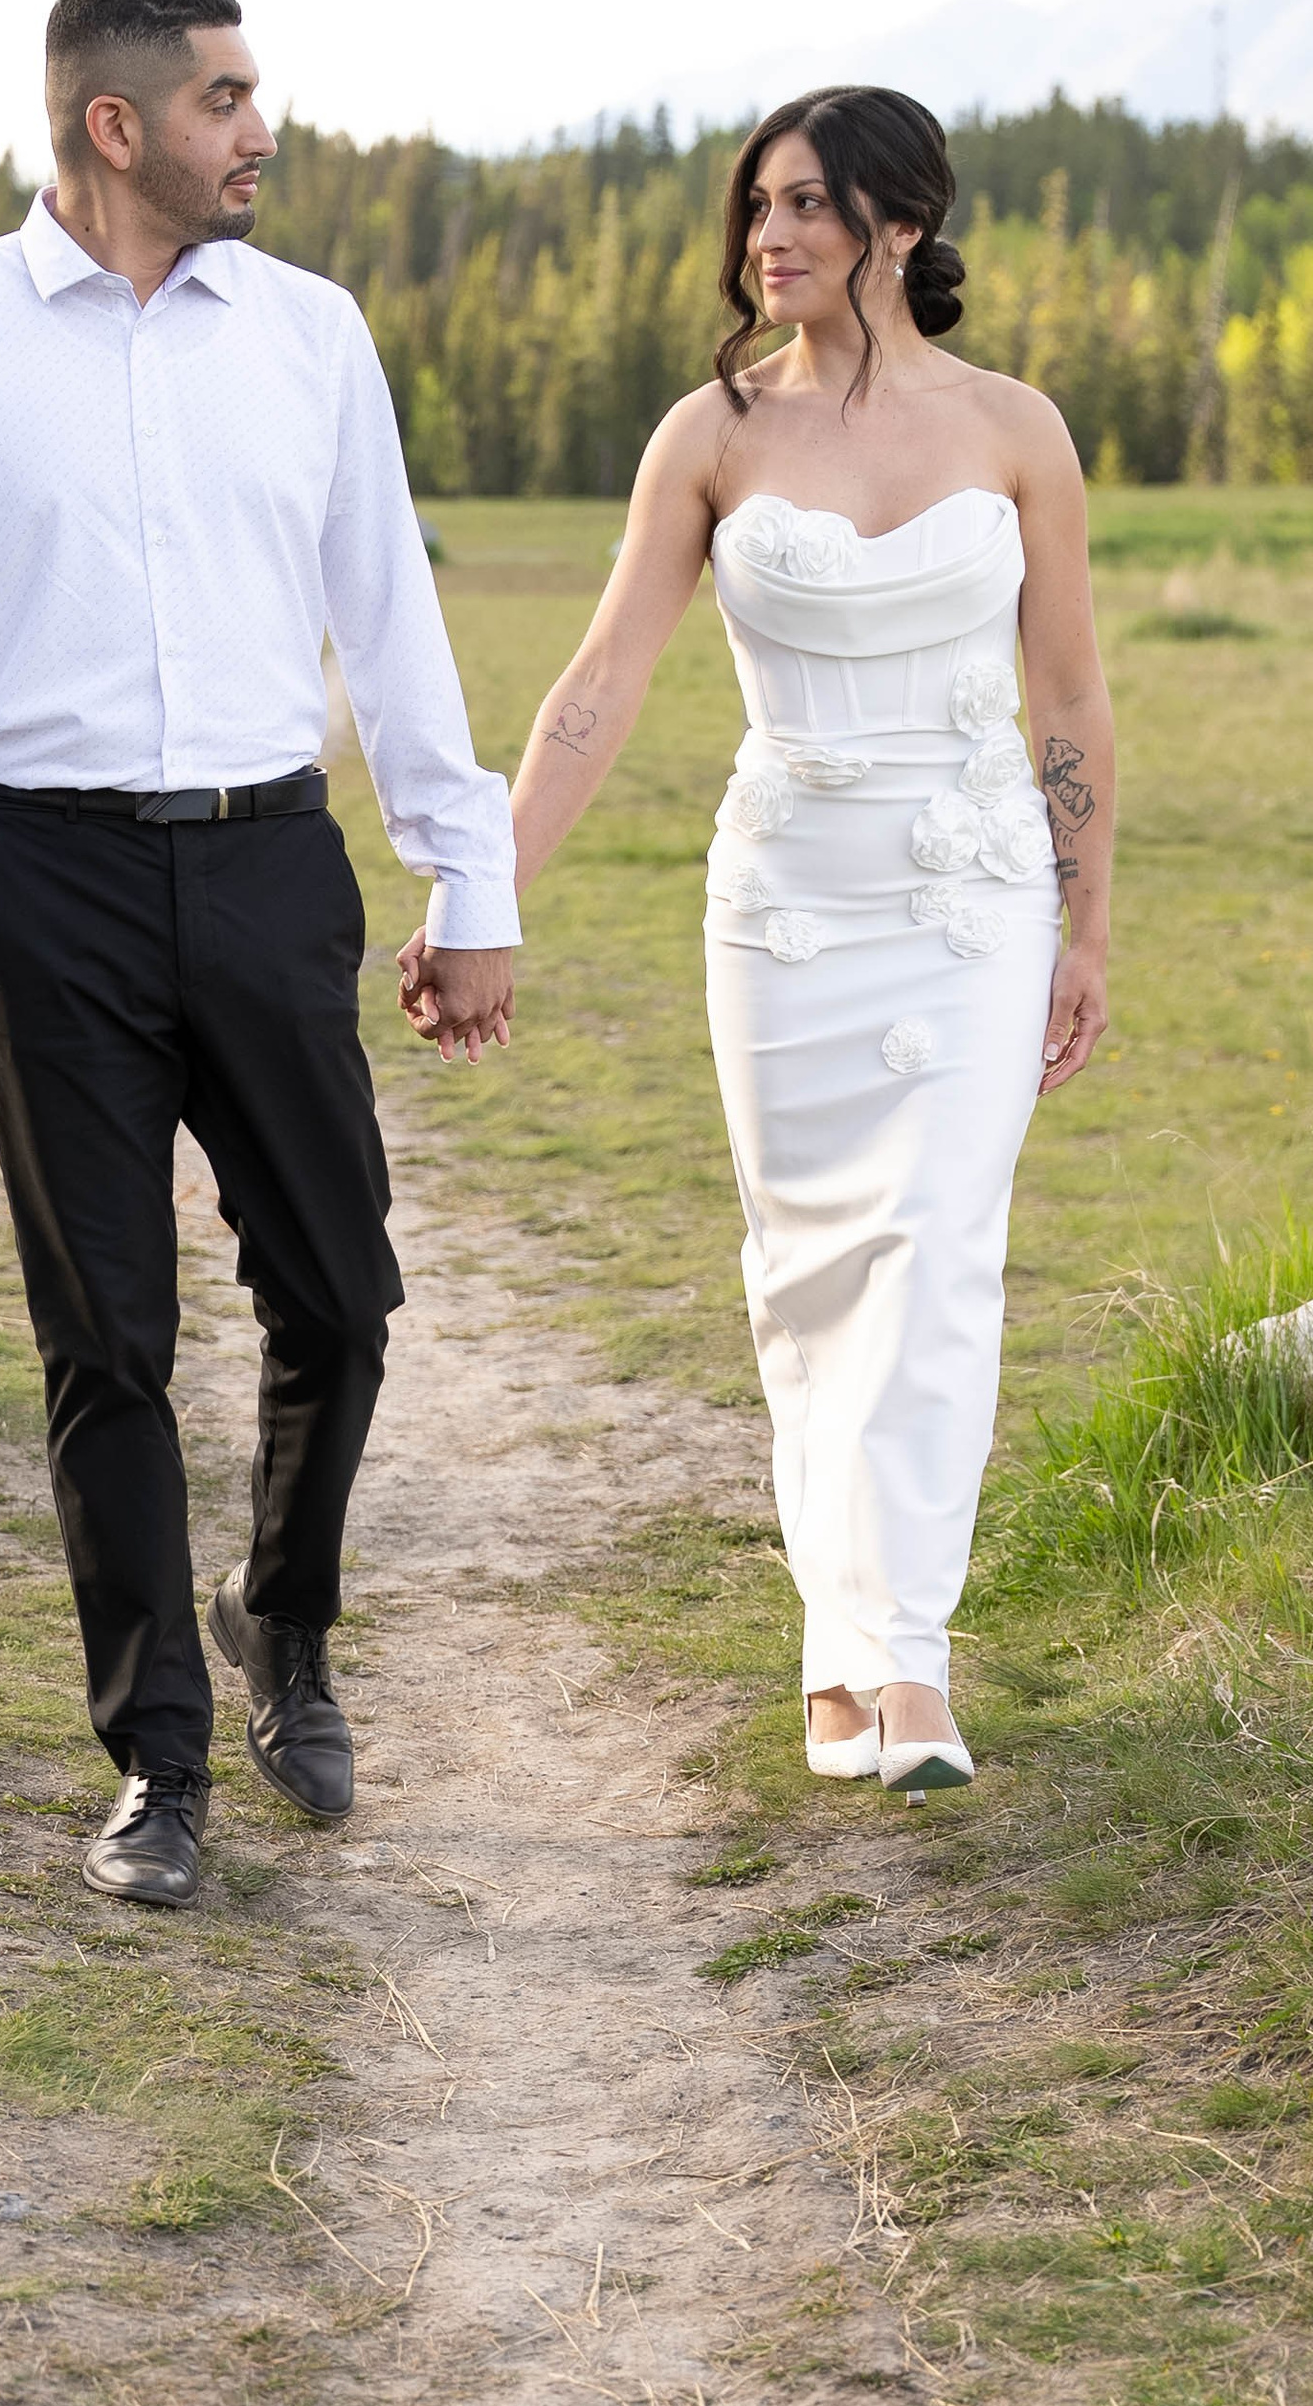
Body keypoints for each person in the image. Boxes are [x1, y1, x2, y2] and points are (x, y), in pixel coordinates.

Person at [0, 0, 518, 1909]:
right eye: (224, 99)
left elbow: (389, 628)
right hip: (44, 886)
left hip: (266, 860)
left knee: (341, 1296)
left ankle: (277, 1618)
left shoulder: (309, 337)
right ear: (114, 126)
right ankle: (160, 1762)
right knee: (102, 1338)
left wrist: (474, 885)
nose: (259, 130)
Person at [409, 87, 1111, 1793]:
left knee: (938, 1248)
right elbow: (600, 688)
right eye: (757, 211)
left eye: (802, 206)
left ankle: (914, 1667)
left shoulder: (1020, 432)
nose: (766, 238)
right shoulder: (708, 437)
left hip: (972, 899)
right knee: (809, 1277)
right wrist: (478, 890)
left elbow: (1072, 695)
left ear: (900, 227)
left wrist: (1087, 928)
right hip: (787, 903)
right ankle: (834, 1647)